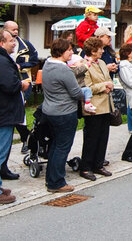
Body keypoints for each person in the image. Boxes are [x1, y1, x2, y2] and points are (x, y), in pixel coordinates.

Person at [42, 38, 85, 193]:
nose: (71, 52)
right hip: (64, 112)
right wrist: (84, 93)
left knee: (55, 146)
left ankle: (51, 179)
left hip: (49, 111)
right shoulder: (64, 69)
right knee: (62, 147)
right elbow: (75, 92)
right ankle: (57, 182)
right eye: (69, 50)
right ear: (61, 51)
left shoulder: (47, 64)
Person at [0, 30, 27, 204]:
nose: (15, 43)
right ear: (1, 43)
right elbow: (9, 85)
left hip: (0, 112)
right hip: (2, 113)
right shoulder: (0, 60)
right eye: (11, 40)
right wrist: (22, 84)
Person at [77, 38, 114, 181]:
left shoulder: (102, 63)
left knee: (103, 136)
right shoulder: (84, 65)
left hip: (105, 105)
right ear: (93, 51)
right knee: (92, 137)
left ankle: (98, 164)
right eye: (100, 49)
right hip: (93, 106)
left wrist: (108, 83)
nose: (103, 51)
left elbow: (107, 78)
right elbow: (86, 87)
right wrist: (104, 85)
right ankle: (86, 167)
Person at [3, 20, 38, 156]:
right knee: (15, 111)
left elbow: (34, 60)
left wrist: (21, 66)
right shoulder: (0, 46)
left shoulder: (25, 45)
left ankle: (26, 139)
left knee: (18, 108)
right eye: (13, 29)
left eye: (17, 29)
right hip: (7, 81)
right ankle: (26, 138)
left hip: (24, 81)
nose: (16, 32)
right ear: (5, 30)